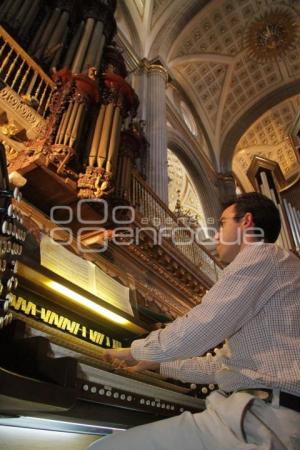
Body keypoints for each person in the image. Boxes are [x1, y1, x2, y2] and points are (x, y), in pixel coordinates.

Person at [88, 192, 300, 450]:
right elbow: (221, 367)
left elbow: (203, 324)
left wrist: (135, 350)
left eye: (222, 224)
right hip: (268, 415)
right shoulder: (274, 269)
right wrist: (157, 364)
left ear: (246, 222)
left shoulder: (262, 254)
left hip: (260, 421)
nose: (216, 236)